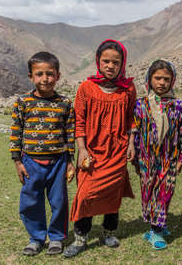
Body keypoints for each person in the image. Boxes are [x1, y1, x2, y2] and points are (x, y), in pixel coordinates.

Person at [64, 39, 136, 258]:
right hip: (91, 151)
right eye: (106, 61)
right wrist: (82, 149)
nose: (110, 66)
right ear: (98, 61)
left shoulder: (128, 89)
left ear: (122, 63)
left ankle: (108, 232)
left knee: (112, 195)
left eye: (116, 62)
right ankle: (80, 238)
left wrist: (131, 144)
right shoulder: (86, 87)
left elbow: (132, 118)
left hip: (117, 151)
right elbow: (79, 121)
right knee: (85, 195)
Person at [9, 52, 75, 256]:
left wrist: (70, 162)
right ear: (31, 76)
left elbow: (69, 133)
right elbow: (16, 131)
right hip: (31, 162)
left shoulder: (65, 103)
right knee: (30, 201)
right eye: (39, 74)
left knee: (59, 201)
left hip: (58, 162)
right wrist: (17, 161)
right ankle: (36, 238)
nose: (45, 78)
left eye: (50, 73)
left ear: (58, 75)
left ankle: (56, 237)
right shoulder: (23, 102)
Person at [131, 60, 182, 250]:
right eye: (157, 78)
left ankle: (156, 231)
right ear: (149, 79)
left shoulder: (178, 105)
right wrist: (133, 155)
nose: (162, 82)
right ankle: (156, 227)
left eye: (166, 79)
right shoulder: (140, 105)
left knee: (164, 193)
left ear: (172, 81)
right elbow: (134, 130)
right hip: (146, 159)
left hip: (169, 158)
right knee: (149, 193)